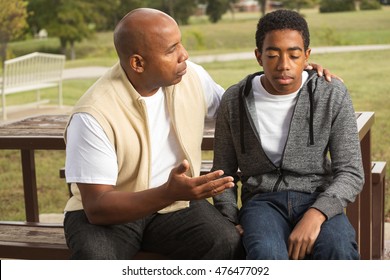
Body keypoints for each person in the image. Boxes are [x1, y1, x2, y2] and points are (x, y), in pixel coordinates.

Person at [63, 8, 335, 260]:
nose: (185, 55)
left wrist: (297, 75)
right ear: (138, 63)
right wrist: (167, 193)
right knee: (96, 260)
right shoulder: (93, 114)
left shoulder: (190, 76)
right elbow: (97, 208)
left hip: (175, 205)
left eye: (180, 43)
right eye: (172, 50)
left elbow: (240, 107)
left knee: (230, 242)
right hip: (114, 215)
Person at [211, 9, 364, 260]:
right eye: (272, 55)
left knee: (339, 249)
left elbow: (351, 172)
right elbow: (223, 172)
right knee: (267, 254)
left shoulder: (331, 94)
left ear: (307, 56)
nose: (284, 66)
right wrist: (230, 218)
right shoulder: (235, 100)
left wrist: (317, 213)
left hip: (318, 196)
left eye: (294, 55)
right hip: (261, 203)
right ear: (258, 56)